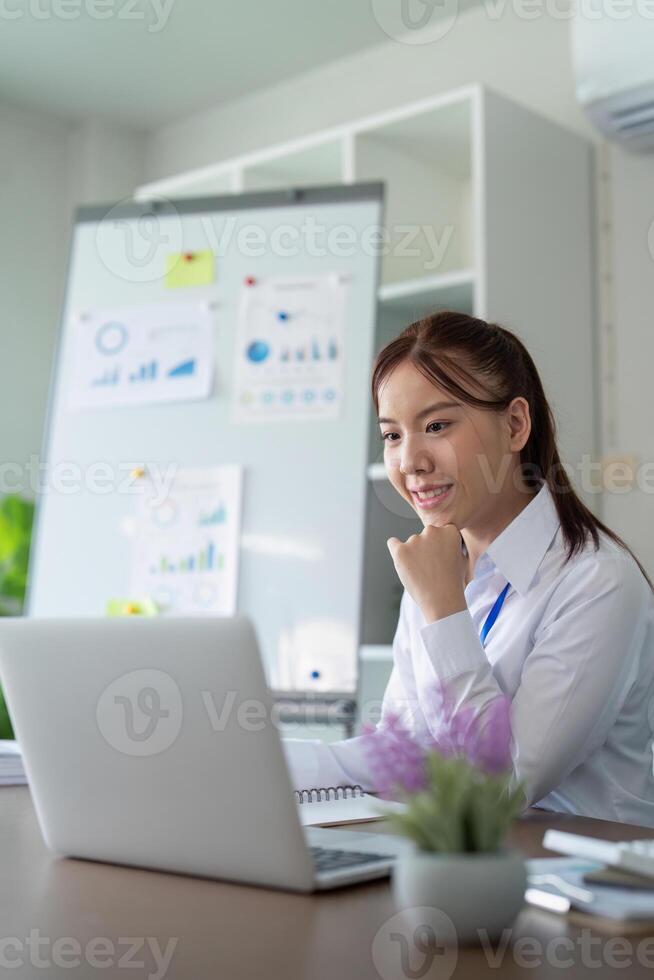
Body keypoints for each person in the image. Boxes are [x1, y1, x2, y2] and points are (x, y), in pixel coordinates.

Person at [283, 311, 654, 827]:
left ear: (516, 424)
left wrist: (442, 611)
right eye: (392, 435)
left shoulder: (596, 582)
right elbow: (403, 757)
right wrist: (259, 764)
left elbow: (497, 788)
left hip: (585, 887)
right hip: (468, 866)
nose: (410, 460)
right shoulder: (439, 568)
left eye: (436, 426)